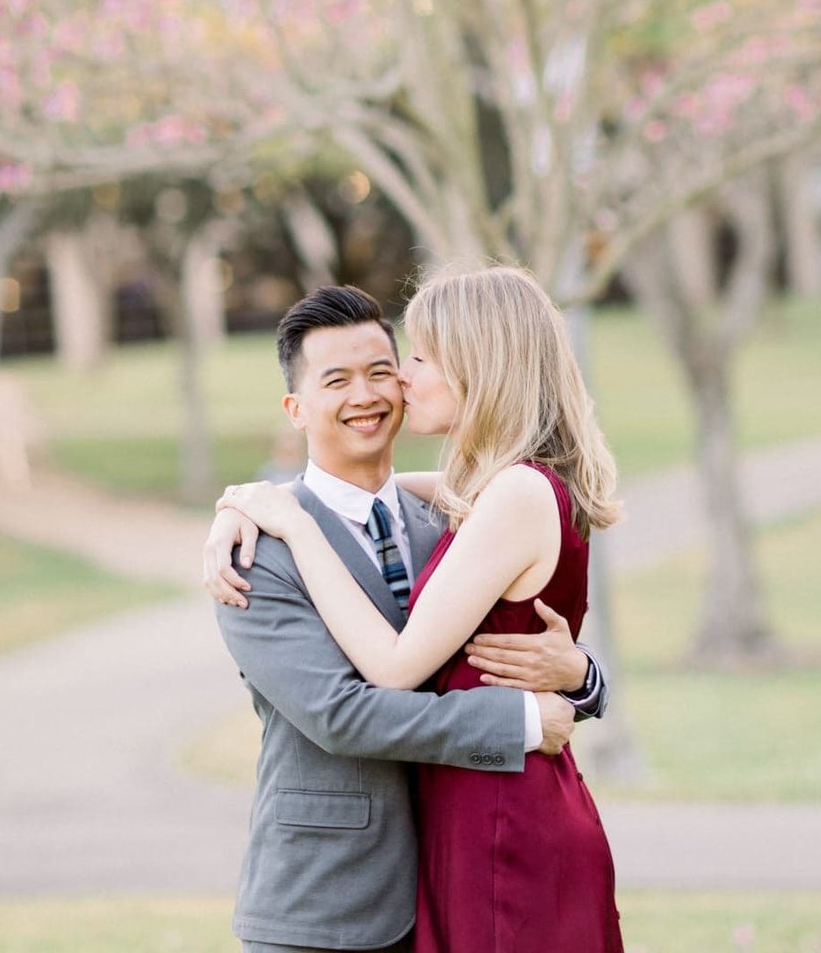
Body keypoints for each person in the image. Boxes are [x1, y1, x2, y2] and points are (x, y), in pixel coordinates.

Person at [207, 266, 625, 953]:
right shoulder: (263, 552)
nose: (382, 391)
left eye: (395, 366)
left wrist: (584, 679)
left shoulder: (458, 515)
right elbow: (343, 714)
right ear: (296, 408)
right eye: (336, 381)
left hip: (475, 846)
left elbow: (504, 640)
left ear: (475, 368)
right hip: (329, 901)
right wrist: (261, 504)